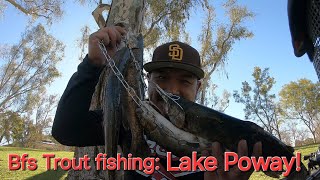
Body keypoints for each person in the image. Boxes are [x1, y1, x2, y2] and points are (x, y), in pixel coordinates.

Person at [52, 26, 262, 180]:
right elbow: (66, 129)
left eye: (184, 81)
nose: (170, 90)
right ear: (148, 81)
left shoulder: (220, 135)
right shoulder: (130, 118)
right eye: (161, 78)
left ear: (198, 88)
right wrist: (92, 64)